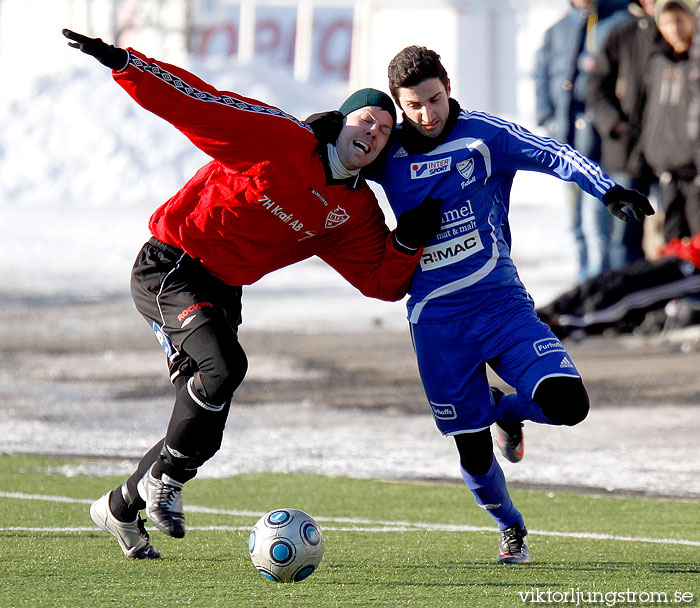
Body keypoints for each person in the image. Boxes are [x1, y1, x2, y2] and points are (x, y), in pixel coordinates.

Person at [62, 29, 443, 560]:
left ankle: (120, 506)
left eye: (384, 132)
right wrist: (123, 61)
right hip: (172, 264)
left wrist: (405, 240)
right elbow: (196, 103)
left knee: (205, 429)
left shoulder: (354, 211)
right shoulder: (282, 139)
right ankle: (161, 484)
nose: (375, 133)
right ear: (341, 121)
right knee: (223, 370)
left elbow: (381, 282)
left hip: (222, 287)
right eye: (366, 121)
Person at [308, 45, 653, 564]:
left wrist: (607, 191)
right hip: (437, 323)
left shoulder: (485, 136)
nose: (427, 114)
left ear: (447, 87)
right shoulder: (390, 150)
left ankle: (503, 409)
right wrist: (319, 130)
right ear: (401, 108)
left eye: (434, 99)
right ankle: (511, 526)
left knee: (570, 404)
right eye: (414, 106)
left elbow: (553, 153)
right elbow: (345, 152)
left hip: (502, 305)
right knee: (470, 450)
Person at [534, 0, 633, 282]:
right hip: (568, 140)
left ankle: (599, 281)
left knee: (597, 220)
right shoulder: (558, 29)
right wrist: (548, 117)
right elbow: (541, 74)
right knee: (575, 221)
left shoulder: (618, 20)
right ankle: (584, 279)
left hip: (604, 141)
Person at [587, 0, 661, 268]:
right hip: (627, 152)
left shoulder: (681, 34)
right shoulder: (623, 34)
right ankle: (624, 300)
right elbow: (596, 86)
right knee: (623, 232)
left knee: (673, 231)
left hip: (673, 155)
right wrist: (614, 124)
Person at [537, 232, 700, 338]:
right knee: (602, 281)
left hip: (691, 272)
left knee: (623, 295)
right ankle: (542, 313)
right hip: (681, 256)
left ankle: (564, 327)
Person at [640, 0, 700, 243]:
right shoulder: (657, 61)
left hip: (695, 171)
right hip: (665, 169)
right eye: (666, 23)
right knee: (672, 244)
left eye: (679, 21)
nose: (674, 29)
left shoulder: (695, 64)